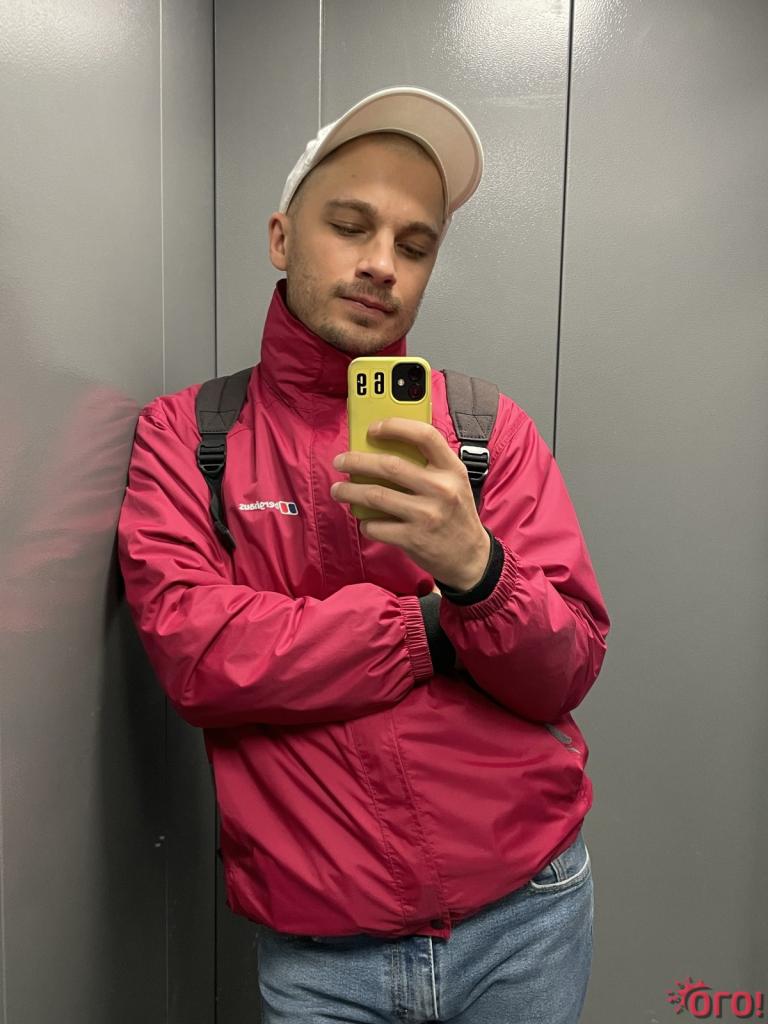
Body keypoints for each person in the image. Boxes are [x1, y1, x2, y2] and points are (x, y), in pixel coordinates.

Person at [117, 86, 611, 1024]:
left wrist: (479, 570)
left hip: (529, 916)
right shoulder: (188, 438)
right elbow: (198, 653)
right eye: (350, 226)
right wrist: (430, 630)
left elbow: (569, 668)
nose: (381, 263)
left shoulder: (484, 431)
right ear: (281, 238)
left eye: (415, 246)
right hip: (321, 956)